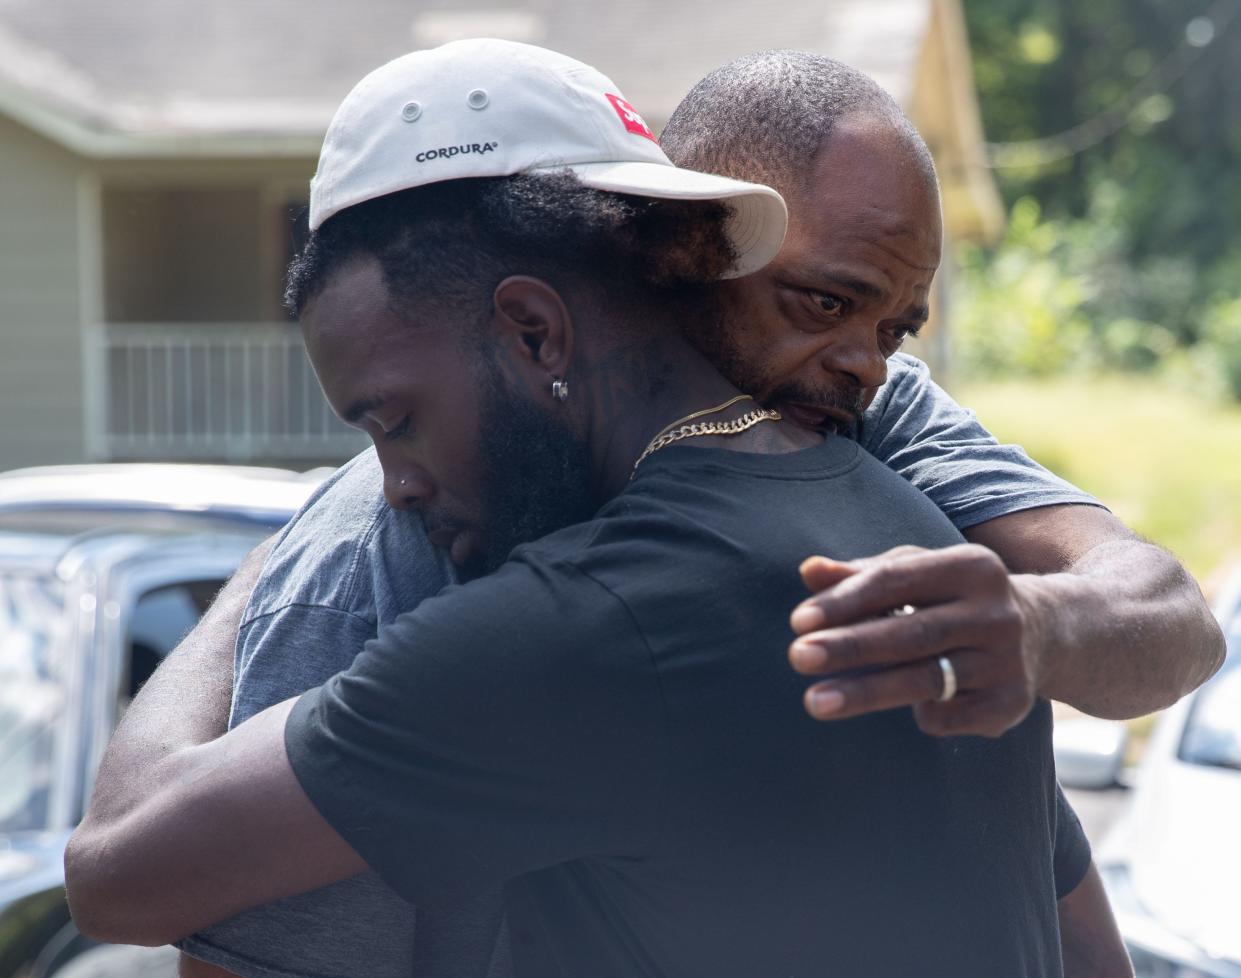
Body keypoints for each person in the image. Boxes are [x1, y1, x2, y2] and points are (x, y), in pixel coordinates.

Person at [68, 40, 1092, 978]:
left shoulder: (574, 627)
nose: (393, 483)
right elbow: (1088, 957)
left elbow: (113, 872)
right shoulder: (921, 544)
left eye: (394, 421)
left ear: (532, 331)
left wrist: (266, 561)